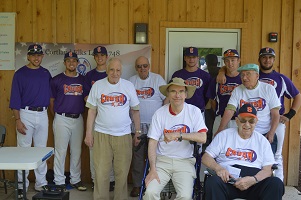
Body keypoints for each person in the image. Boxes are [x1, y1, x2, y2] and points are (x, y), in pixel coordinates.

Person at [84, 58, 141, 200]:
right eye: (112, 70)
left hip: (123, 135)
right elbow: (91, 111)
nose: (115, 73)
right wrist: (88, 134)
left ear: (121, 71)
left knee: (122, 173)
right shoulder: (98, 85)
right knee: (101, 172)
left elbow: (135, 111)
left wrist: (138, 132)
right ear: (107, 70)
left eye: (118, 70)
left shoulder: (128, 86)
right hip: (101, 134)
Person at [202, 104, 284, 200]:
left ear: (256, 122)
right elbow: (206, 157)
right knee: (212, 182)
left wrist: (254, 179)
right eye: (243, 120)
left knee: (276, 183)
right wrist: (218, 168)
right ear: (237, 121)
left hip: (253, 183)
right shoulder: (224, 136)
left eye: (251, 121)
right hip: (227, 181)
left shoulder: (262, 141)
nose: (247, 124)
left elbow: (268, 169)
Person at [144, 77, 207, 200]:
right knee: (150, 192)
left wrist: (179, 135)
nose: (177, 95)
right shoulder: (159, 113)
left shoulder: (194, 111)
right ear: (168, 94)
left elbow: (203, 137)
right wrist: (152, 169)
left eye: (181, 91)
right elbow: (152, 142)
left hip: (185, 161)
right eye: (173, 91)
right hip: (162, 161)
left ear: (186, 94)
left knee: (185, 196)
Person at [9, 44, 52, 197]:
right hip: (25, 113)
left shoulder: (46, 73)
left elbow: (50, 96)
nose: (36, 58)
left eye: (39, 55)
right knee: (23, 151)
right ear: (28, 56)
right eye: (33, 55)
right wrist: (18, 120)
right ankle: (22, 186)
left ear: (42, 56)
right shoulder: (20, 74)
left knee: (41, 150)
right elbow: (15, 99)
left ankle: (41, 184)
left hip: (42, 113)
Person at [216, 64, 281, 155]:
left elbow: (275, 114)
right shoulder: (237, 90)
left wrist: (271, 132)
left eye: (248, 74)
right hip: (244, 133)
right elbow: (230, 110)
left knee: (268, 163)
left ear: (257, 76)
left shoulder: (268, 89)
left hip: (264, 133)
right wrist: (220, 129)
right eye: (242, 75)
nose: (244, 78)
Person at [257, 47, 301, 180]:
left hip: (276, 121)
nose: (267, 60)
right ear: (259, 59)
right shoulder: (253, 75)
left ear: (274, 60)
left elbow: (297, 95)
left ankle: (278, 186)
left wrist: (290, 115)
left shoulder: (281, 78)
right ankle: (258, 184)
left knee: (276, 154)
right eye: (264, 57)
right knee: (257, 152)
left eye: (270, 57)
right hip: (257, 121)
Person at [128, 56, 168, 197]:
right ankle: (137, 185)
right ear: (135, 68)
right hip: (136, 126)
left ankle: (154, 184)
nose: (142, 68)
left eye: (145, 65)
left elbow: (167, 99)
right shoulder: (131, 82)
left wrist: (163, 118)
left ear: (149, 66)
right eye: (139, 66)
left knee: (155, 157)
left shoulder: (158, 79)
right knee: (137, 157)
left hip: (155, 127)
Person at [49, 52, 87, 191]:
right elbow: (51, 102)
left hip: (78, 118)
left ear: (78, 63)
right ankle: (59, 181)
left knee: (76, 151)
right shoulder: (56, 80)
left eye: (74, 60)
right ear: (64, 63)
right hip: (61, 118)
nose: (71, 63)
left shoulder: (83, 80)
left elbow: (87, 99)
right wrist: (58, 116)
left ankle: (75, 179)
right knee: (60, 151)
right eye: (68, 60)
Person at [84, 46, 115, 191]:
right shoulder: (89, 76)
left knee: (112, 151)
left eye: (102, 55)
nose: (100, 57)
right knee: (95, 152)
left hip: (111, 119)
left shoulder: (113, 74)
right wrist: (99, 105)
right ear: (94, 58)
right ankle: (96, 180)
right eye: (97, 55)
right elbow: (86, 97)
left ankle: (111, 180)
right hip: (95, 117)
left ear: (107, 57)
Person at [206, 49, 242, 138]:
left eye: (233, 60)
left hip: (240, 119)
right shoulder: (217, 80)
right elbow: (212, 101)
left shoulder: (244, 79)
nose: (230, 63)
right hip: (220, 118)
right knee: (217, 148)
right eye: (227, 60)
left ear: (238, 61)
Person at [171, 47, 211, 113]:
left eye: (194, 57)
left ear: (198, 58)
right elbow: (173, 93)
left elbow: (208, 96)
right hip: (181, 111)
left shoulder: (205, 75)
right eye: (189, 57)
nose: (191, 59)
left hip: (199, 111)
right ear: (185, 58)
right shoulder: (177, 75)